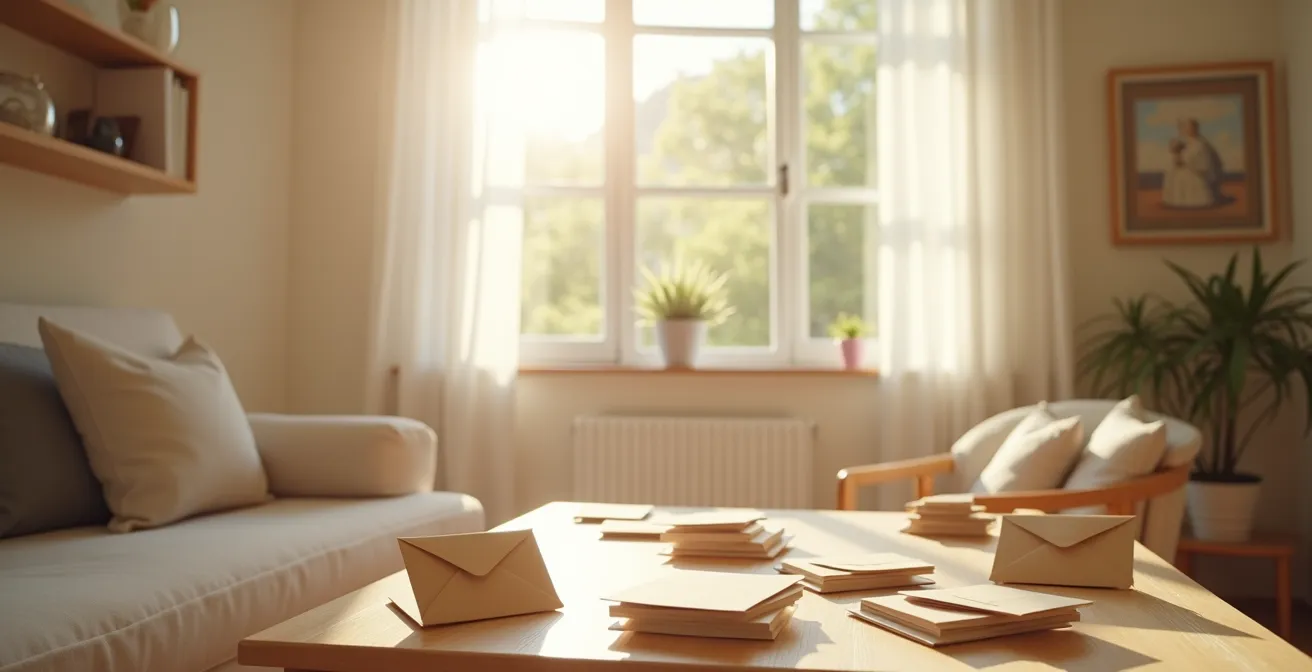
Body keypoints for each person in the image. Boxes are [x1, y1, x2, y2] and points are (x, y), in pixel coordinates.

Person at [1161, 117, 1225, 208]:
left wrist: (1184, 159)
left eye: (1189, 127)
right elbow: (1179, 155)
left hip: (1196, 172)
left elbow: (1202, 162)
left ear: (1195, 129)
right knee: (1174, 175)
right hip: (1185, 169)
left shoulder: (1200, 144)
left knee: (1186, 178)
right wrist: (1176, 155)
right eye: (1186, 128)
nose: (1187, 130)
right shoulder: (1186, 142)